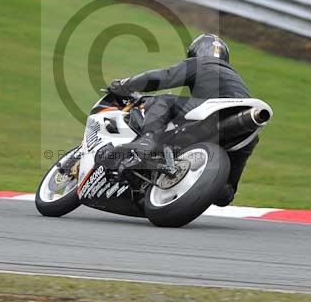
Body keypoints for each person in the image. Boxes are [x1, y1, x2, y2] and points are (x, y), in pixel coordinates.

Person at [107, 33, 258, 206]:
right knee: (225, 193)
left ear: (195, 52)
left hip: (215, 110)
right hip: (247, 126)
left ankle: (147, 141)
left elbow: (161, 77)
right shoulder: (235, 76)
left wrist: (124, 85)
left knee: (162, 100)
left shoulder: (199, 63)